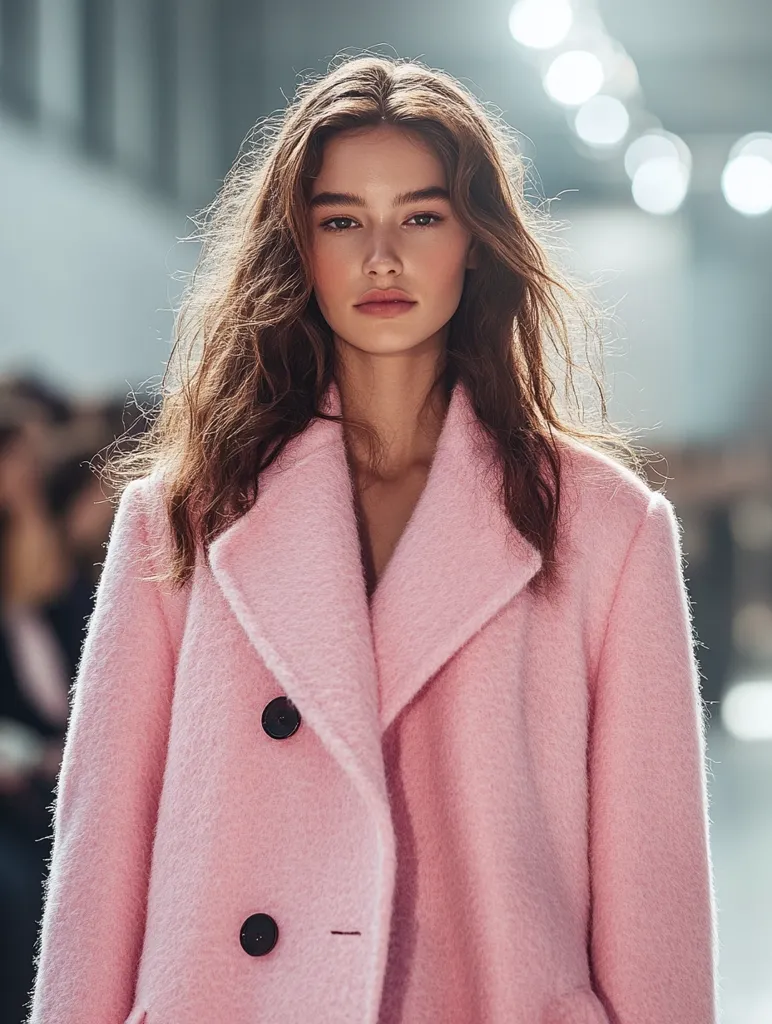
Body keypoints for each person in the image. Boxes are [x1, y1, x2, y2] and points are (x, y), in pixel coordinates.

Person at [25, 53, 719, 1024]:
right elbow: (101, 857)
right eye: (342, 220)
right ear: (297, 248)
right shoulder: (184, 514)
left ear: (474, 242)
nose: (381, 256)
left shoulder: (603, 528)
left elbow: (654, 885)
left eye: (421, 217)